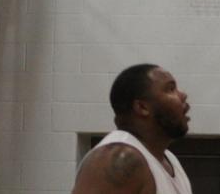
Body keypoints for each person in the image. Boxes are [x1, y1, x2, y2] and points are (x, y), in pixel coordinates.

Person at [72, 64, 194, 194]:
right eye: (170, 89)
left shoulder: (170, 160)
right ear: (142, 107)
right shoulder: (118, 159)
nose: (183, 95)